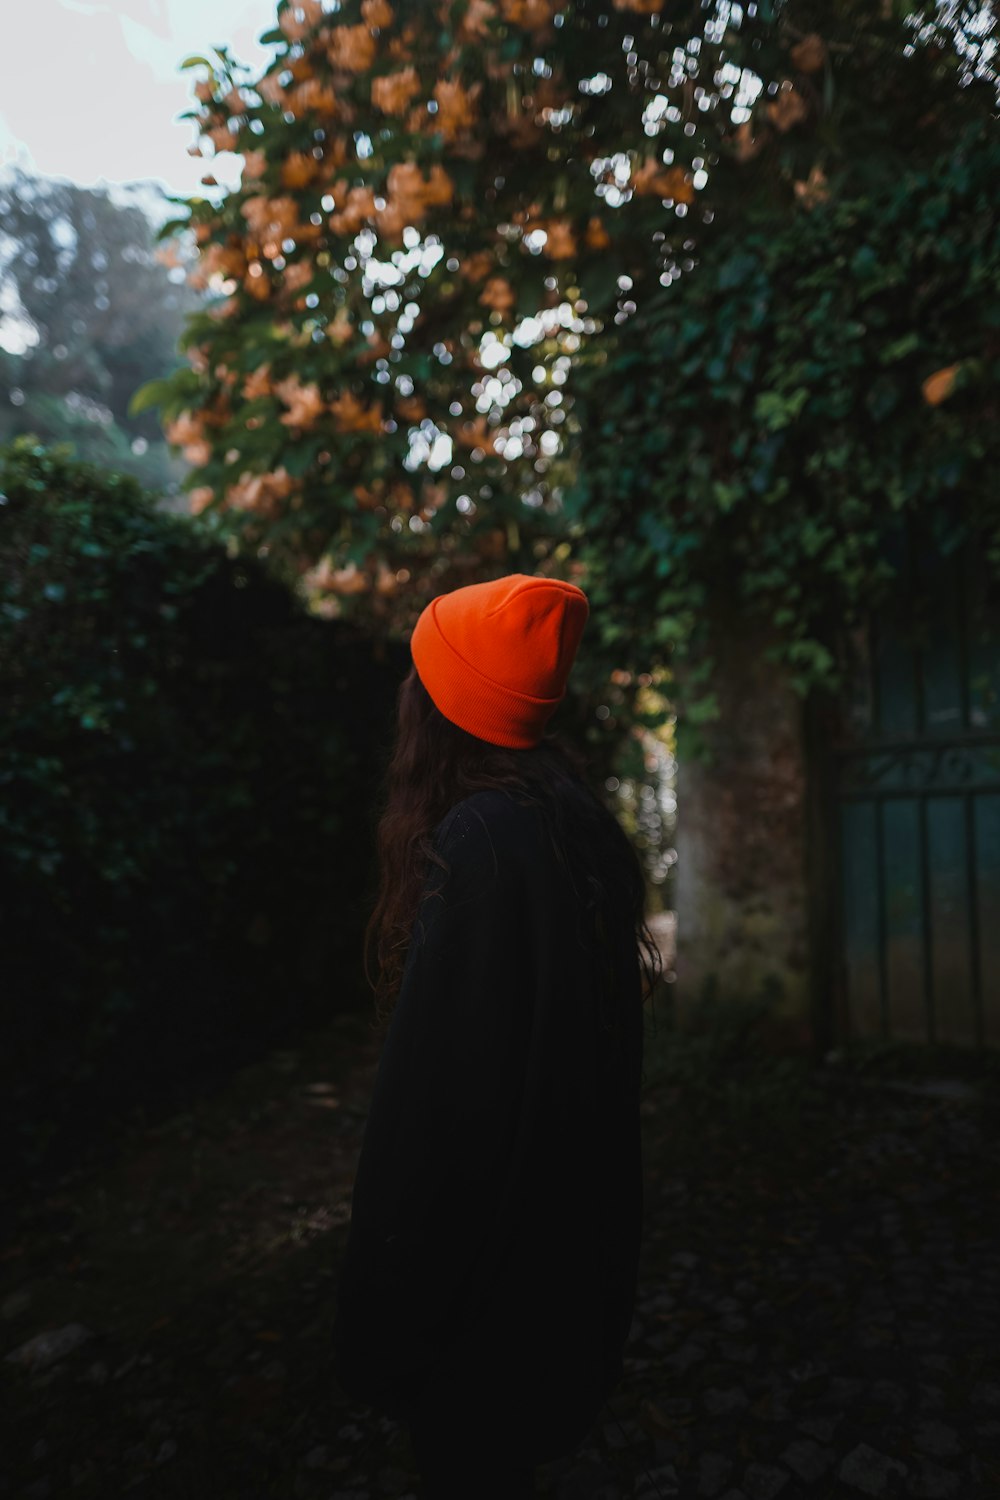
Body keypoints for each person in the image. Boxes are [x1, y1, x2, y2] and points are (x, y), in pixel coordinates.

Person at [331, 573, 660, 1499]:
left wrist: (386, 1312)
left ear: (443, 705)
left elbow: (437, 1115)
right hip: (563, 1261)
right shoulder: (571, 824)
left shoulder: (480, 843)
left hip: (490, 1295)